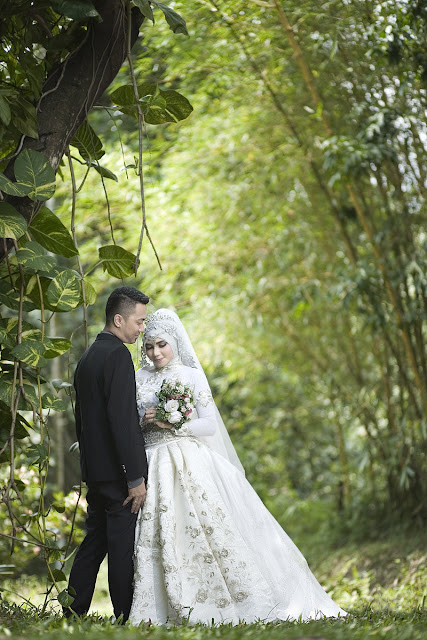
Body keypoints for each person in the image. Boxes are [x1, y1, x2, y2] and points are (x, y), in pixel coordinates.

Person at [129, 309, 347, 625]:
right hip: (152, 462)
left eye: (161, 344)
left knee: (207, 530)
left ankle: (218, 599)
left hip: (189, 462)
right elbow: (129, 423)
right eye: (149, 346)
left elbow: (208, 425)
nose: (155, 352)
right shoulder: (139, 378)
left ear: (175, 342)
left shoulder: (190, 376)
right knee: (160, 534)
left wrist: (173, 422)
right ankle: (162, 604)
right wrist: (145, 421)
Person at [64, 286, 149, 622]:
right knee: (120, 547)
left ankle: (72, 610)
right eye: (138, 322)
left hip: (96, 471)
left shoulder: (88, 357)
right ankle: (125, 614)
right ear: (119, 319)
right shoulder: (117, 356)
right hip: (117, 473)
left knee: (94, 542)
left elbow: (82, 421)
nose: (141, 329)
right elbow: (122, 422)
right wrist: (134, 477)